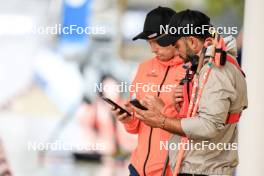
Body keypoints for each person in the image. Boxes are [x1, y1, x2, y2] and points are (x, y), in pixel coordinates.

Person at [132, 9, 248, 176]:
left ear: (192, 42)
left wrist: (162, 120)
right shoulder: (206, 67)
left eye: (177, 45)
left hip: (204, 171)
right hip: (196, 168)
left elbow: (208, 126)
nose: (177, 52)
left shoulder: (217, 71)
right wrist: (181, 105)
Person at [112, 6, 187, 176]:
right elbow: (135, 128)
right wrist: (128, 118)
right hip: (138, 169)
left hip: (173, 170)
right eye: (149, 42)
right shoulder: (143, 68)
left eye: (157, 41)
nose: (153, 48)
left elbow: (199, 126)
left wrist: (163, 112)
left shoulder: (192, 71)